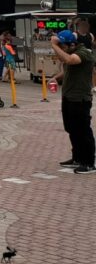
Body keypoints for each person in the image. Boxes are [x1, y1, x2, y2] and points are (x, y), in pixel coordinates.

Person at [49, 30, 95, 174]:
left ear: (72, 44)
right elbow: (67, 67)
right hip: (68, 97)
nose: (61, 49)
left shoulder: (84, 52)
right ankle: (77, 158)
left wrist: (54, 45)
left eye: (63, 46)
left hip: (80, 98)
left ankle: (88, 162)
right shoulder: (71, 51)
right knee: (72, 129)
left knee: (83, 131)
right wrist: (55, 78)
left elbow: (70, 60)